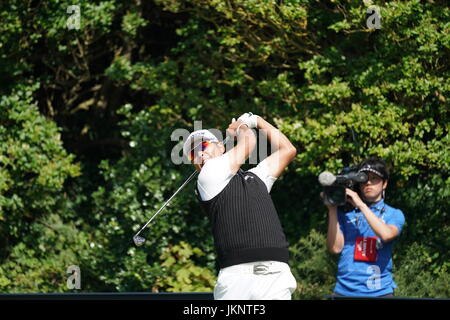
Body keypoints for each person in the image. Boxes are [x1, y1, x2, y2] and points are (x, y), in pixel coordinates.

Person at [182, 113, 298, 300]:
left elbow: (287, 150)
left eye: (203, 146)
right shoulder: (207, 175)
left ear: (221, 147)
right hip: (237, 278)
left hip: (275, 274)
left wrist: (258, 120)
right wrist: (242, 126)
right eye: (193, 153)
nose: (199, 154)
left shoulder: (257, 178)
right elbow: (249, 142)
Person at [324, 156, 405, 297]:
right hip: (343, 292)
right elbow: (335, 248)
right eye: (364, 179)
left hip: (379, 292)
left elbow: (386, 234)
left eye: (374, 179)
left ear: (384, 184)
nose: (368, 183)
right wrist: (332, 209)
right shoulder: (345, 213)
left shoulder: (394, 214)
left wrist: (360, 204)